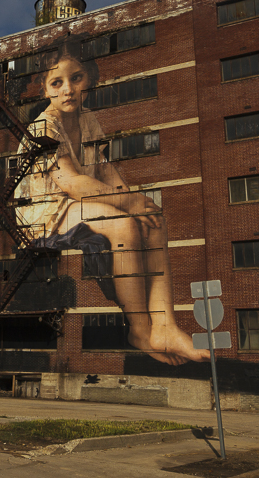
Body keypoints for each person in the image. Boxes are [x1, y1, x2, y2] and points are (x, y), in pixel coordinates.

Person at [13, 37, 209, 366]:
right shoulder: (45, 126)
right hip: (42, 210)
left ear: (88, 78)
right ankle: (140, 329)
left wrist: (135, 200)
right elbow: (69, 181)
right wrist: (126, 206)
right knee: (123, 226)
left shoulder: (88, 119)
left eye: (76, 79)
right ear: (46, 90)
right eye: (57, 83)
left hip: (75, 202)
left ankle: (166, 326)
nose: (68, 90)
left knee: (152, 219)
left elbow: (104, 168)